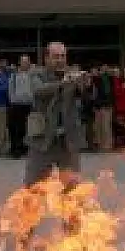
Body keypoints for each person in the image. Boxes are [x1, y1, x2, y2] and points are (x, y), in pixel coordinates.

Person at [24, 42, 86, 189]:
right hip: (43, 139)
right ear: (47, 58)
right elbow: (38, 90)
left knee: (72, 189)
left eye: (63, 56)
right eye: (56, 56)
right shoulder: (36, 74)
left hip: (67, 140)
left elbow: (87, 96)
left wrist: (85, 84)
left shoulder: (72, 74)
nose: (60, 60)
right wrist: (63, 83)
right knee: (34, 187)